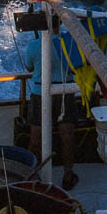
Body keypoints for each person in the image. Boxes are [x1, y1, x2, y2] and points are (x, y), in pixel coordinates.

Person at [23, 34, 79, 190]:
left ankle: (33, 177)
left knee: (35, 138)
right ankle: (68, 175)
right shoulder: (69, 42)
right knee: (67, 135)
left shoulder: (33, 45)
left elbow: (29, 67)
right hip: (65, 91)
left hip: (40, 93)